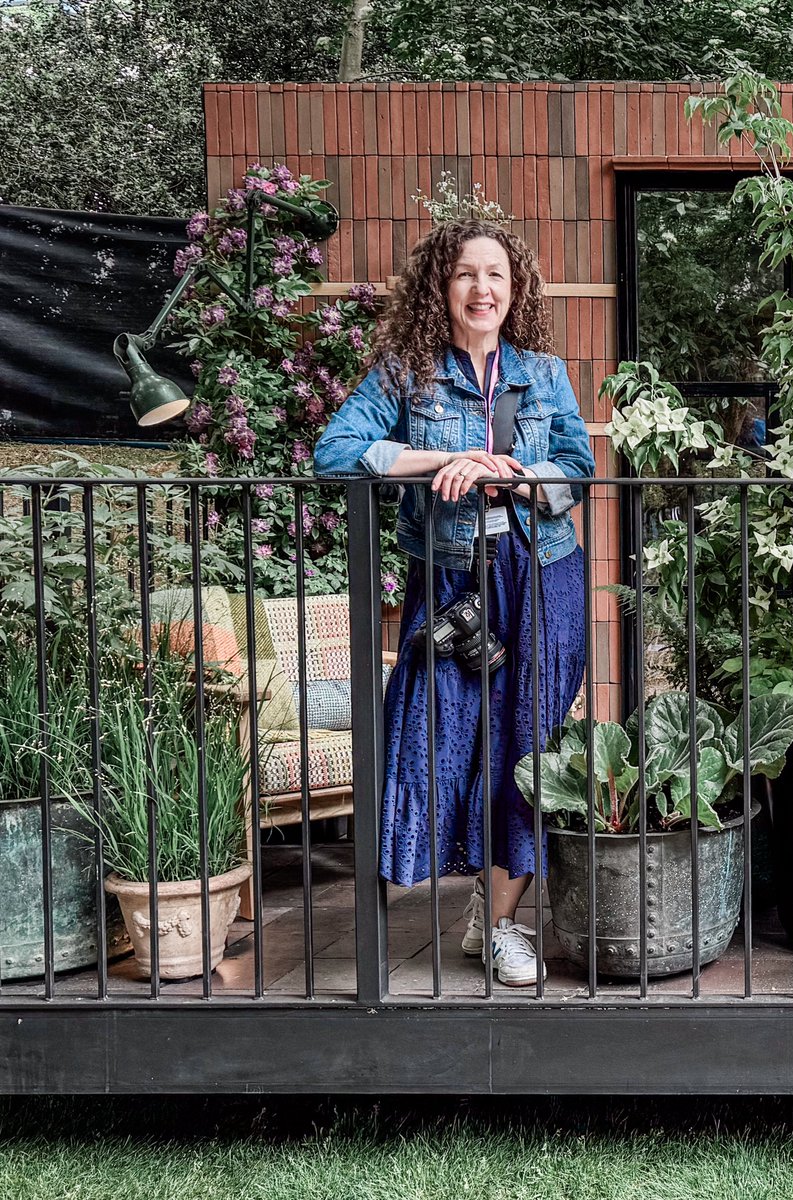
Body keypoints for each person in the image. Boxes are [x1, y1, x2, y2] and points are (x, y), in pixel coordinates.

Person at [314, 218, 594, 986]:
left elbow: (580, 466)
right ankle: (460, 893)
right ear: (443, 286)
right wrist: (447, 459)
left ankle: (500, 922)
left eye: (497, 275)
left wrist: (521, 476)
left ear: (517, 288)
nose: (483, 289)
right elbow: (335, 452)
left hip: (541, 577)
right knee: (437, 742)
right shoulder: (408, 374)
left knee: (524, 749)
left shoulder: (543, 372)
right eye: (467, 274)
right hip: (450, 581)